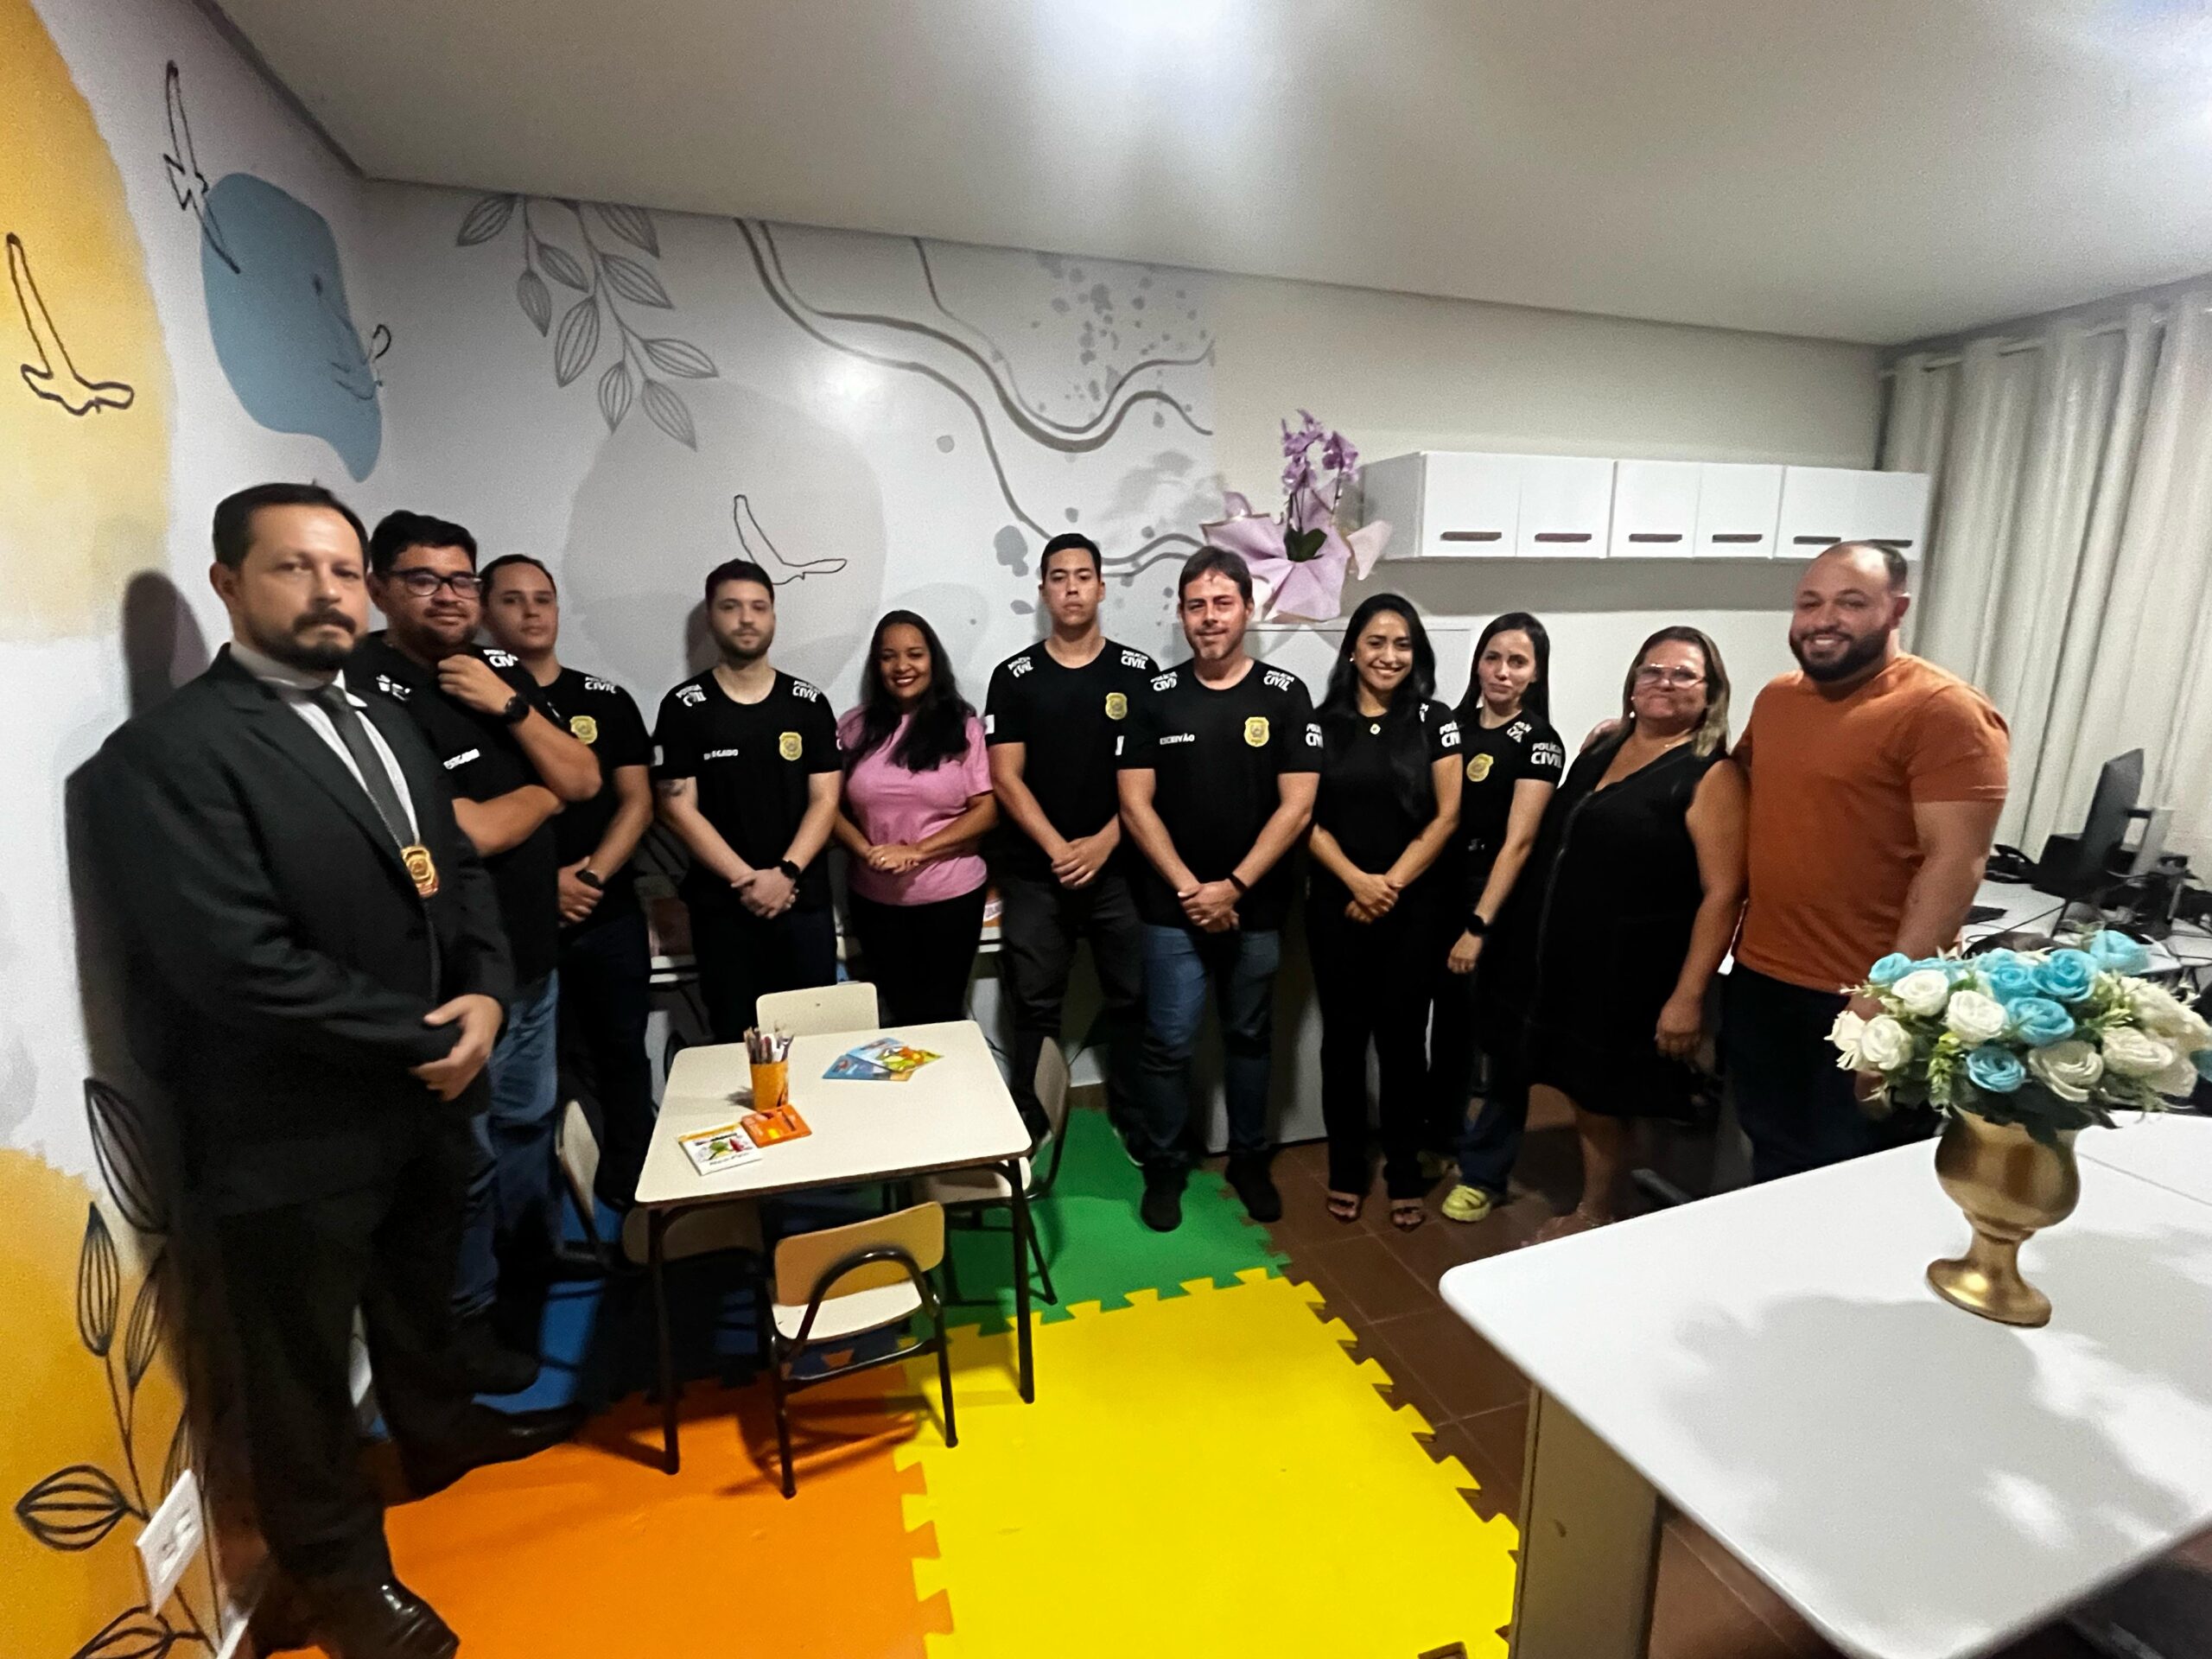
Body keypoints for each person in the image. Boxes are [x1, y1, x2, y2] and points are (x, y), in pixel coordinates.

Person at [82, 485, 579, 1659]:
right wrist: (429, 1033)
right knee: (298, 1368)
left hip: (424, 1095)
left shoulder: (383, 722)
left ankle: (441, 1435)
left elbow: (455, 874)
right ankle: (343, 1582)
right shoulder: (166, 755)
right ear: (229, 583)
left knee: (418, 1293)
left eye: (344, 571)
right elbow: (233, 965)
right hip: (289, 1128)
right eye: (294, 567)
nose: (327, 593)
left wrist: (487, 993)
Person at [351, 512, 600, 1388]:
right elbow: (477, 833)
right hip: (454, 981)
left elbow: (583, 776)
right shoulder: (364, 690)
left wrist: (509, 706)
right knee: (468, 1161)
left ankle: (531, 1267)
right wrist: (542, 796)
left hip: (531, 958)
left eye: (461, 579)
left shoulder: (494, 670)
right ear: (379, 587)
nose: (449, 596)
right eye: (423, 579)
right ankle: (468, 1322)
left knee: (528, 1128)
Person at [1730, 542, 2008, 1180]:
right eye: (1810, 603)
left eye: (1850, 603)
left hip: (1866, 994)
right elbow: (1736, 785)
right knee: (1771, 1154)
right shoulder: (1777, 699)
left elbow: (1956, 862)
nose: (1824, 619)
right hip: (1762, 978)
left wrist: (1887, 996)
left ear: (1896, 609)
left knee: (1852, 1173)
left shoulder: (1945, 711)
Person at [1489, 626, 1747, 1240]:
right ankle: (1610, 1195)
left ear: (1710, 693)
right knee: (1585, 1087)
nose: (1664, 683)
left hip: (1636, 968)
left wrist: (1688, 996)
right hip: (1573, 959)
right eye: (1652, 670)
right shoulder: (1604, 746)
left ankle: (1598, 1210)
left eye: (1684, 674)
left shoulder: (1711, 776)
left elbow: (1724, 893)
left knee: (1604, 1093)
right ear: (1632, 683)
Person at [1118, 546, 1320, 1232]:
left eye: (1222, 603)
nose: (1209, 617)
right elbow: (1134, 805)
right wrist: (1191, 889)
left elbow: (1298, 806)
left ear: (1248, 609)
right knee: (1168, 1043)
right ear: (1181, 615)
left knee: (1250, 1037)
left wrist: (1232, 886)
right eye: (1196, 605)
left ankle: (1249, 1161)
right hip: (1170, 909)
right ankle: (1166, 1166)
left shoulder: (1285, 694)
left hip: (1255, 905)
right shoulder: (1153, 697)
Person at [480, 554, 656, 1214]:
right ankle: (554, 1205)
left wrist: (589, 875)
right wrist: (541, 887)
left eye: (543, 598)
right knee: (536, 1074)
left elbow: (637, 802)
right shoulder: (469, 704)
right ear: (485, 610)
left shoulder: (605, 701)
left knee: (623, 1055)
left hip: (608, 911)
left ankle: (636, 1189)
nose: (531, 612)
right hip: (520, 923)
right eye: (513, 599)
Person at [984, 533, 1157, 1139]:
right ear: (1043, 591)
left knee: (1132, 998)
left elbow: (1151, 779)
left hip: (1120, 869)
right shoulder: (1015, 677)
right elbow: (1005, 778)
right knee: (1034, 1005)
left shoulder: (1139, 674)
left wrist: (1105, 842)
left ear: (1102, 587)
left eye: (1083, 576)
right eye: (1059, 578)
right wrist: (1059, 848)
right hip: (1038, 872)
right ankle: (1029, 1127)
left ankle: (1135, 1120)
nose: (1072, 588)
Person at [1305, 594, 1463, 1230]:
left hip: (1412, 909)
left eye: (1402, 644)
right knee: (1342, 1045)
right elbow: (1302, 816)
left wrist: (1388, 885)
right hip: (1336, 907)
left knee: (1402, 1045)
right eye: (1376, 642)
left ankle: (1403, 1171)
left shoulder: (1435, 720)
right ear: (1352, 650)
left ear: (1416, 654)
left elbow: (1447, 817)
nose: (1389, 656)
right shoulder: (1320, 724)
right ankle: (1346, 1170)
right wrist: (1355, 881)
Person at [651, 559, 841, 1041]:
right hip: (725, 909)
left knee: (815, 1041)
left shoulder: (808, 703)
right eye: (731, 607)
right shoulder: (684, 707)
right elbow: (676, 807)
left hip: (802, 903)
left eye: (758, 607)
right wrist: (748, 881)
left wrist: (786, 874)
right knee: (736, 1045)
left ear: (773, 616)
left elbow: (826, 800)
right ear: (711, 617)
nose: (746, 619)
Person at [1434, 613, 1567, 1224]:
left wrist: (1479, 926)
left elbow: (1520, 842)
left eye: (1518, 662)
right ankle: (1442, 1139)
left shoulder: (1539, 741)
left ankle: (1484, 1172)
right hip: (1440, 891)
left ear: (1536, 673)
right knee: (1450, 1031)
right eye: (1493, 658)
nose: (1503, 672)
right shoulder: (1452, 726)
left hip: (1500, 903)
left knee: (1502, 1042)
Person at [834, 611, 999, 1025]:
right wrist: (866, 851)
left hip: (951, 898)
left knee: (941, 1019)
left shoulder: (964, 727)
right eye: (888, 656)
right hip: (874, 901)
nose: (902, 666)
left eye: (914, 654)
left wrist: (918, 851)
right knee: (897, 1017)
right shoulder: (852, 728)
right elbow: (826, 808)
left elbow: (988, 810)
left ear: (933, 660)